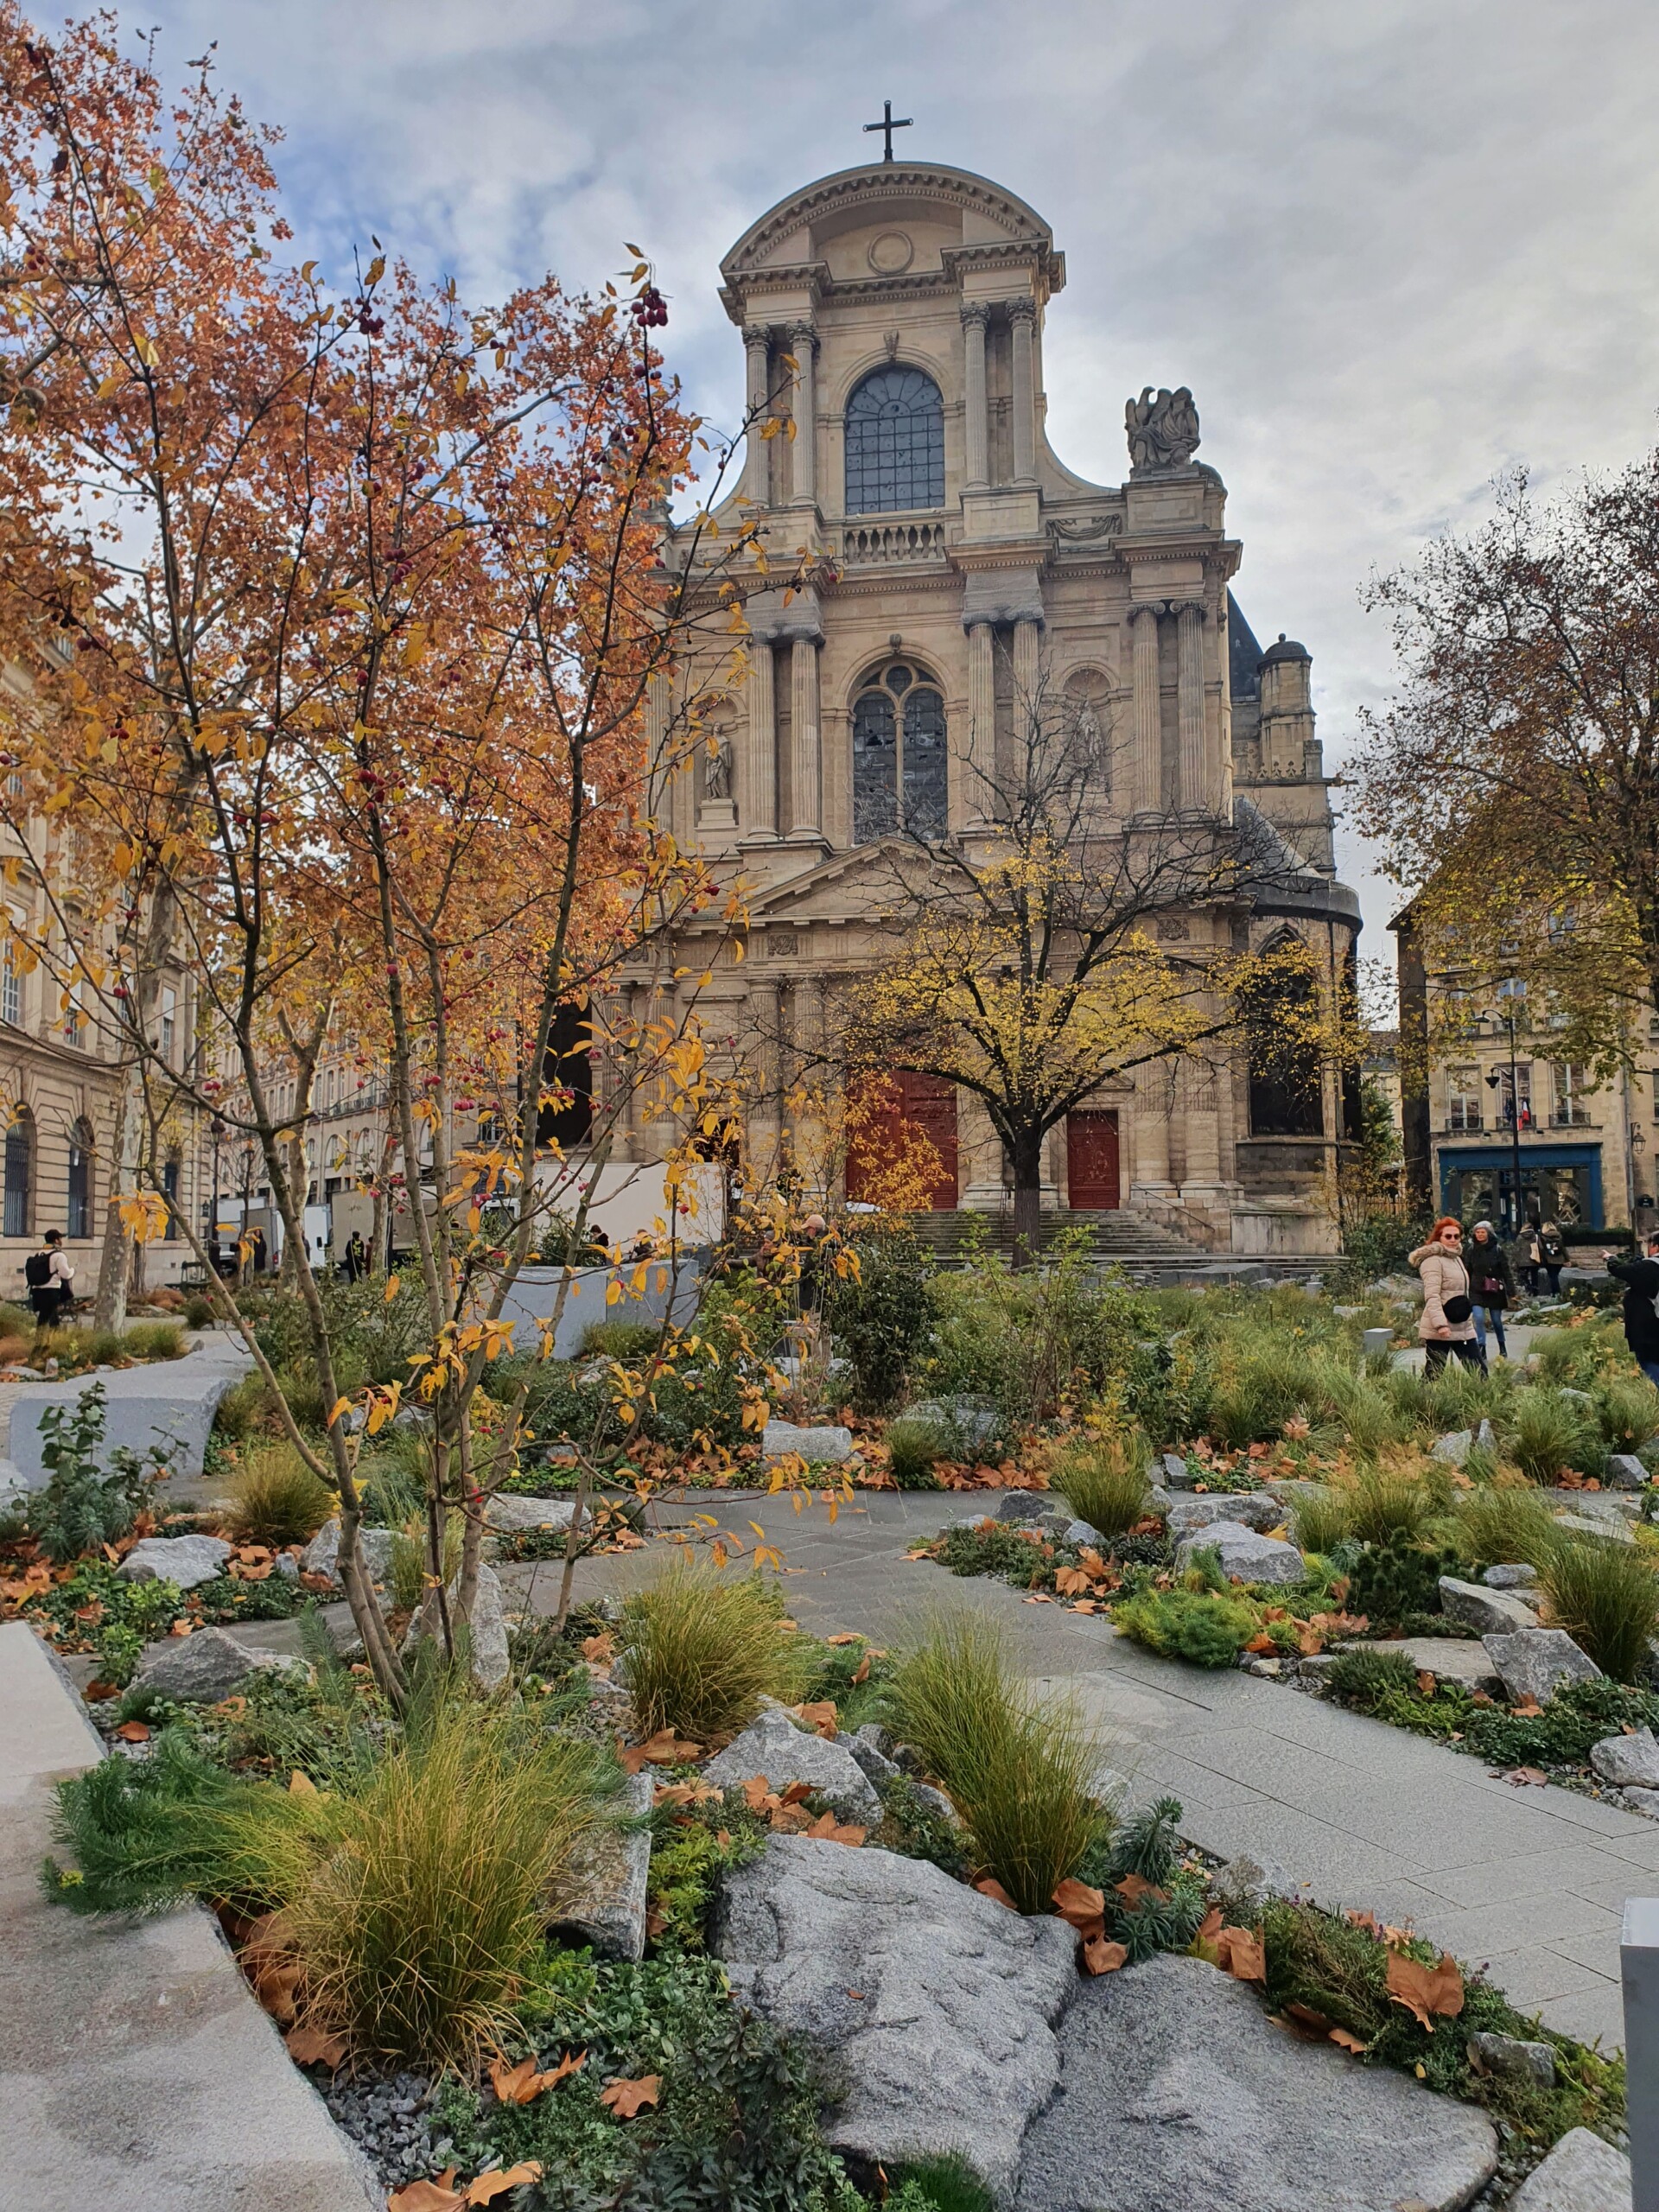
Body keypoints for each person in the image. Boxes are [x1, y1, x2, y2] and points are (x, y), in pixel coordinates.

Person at [1409, 1216, 1485, 1374]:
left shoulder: (1456, 1258)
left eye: (1457, 1236)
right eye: (1448, 1236)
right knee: (1434, 1373)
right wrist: (1440, 1324)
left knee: (1479, 1371)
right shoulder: (1433, 1261)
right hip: (1442, 1327)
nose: (1453, 1240)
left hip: (1462, 1324)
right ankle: (1422, 1398)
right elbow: (1432, 1295)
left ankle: (1487, 1398)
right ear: (1439, 1238)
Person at [1605, 1234, 1659, 1388]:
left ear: (1655, 1246)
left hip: (1649, 1326)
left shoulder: (1649, 1267)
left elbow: (1620, 1270)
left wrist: (1610, 1259)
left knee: (1649, 1361)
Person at [1465, 1220, 1513, 1361]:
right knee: (1478, 1318)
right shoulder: (1471, 1250)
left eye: (1482, 1232)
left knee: (1496, 1321)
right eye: (1477, 1232)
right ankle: (1481, 1347)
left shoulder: (1497, 1250)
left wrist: (1512, 1291)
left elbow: (1506, 1271)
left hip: (1494, 1289)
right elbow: (1466, 1270)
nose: (1479, 1235)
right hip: (1476, 1288)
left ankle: (1502, 1346)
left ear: (1488, 1233)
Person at [24, 1228, 72, 1332]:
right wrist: (72, 1271)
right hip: (51, 1291)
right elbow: (66, 1274)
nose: (61, 1241)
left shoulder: (39, 1254)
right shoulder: (59, 1255)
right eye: (60, 1238)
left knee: (47, 1317)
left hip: (36, 1292)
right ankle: (47, 1343)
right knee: (48, 1319)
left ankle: (45, 1342)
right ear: (56, 1240)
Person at [1538, 1219, 1567, 1297]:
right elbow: (1563, 1248)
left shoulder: (1543, 1237)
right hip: (1560, 1260)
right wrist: (1567, 1259)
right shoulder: (1559, 1236)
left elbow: (1541, 1249)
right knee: (1555, 1276)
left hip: (1549, 1260)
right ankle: (1556, 1292)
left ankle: (1556, 1293)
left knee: (1552, 1276)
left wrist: (1542, 1259)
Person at [1515, 1218, 1543, 1297]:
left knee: (1523, 1276)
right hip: (1534, 1259)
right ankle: (1535, 1290)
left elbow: (1517, 1250)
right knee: (1534, 1276)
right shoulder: (1535, 1236)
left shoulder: (1519, 1237)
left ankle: (1528, 1287)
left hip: (1522, 1261)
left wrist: (1516, 1261)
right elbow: (1541, 1248)